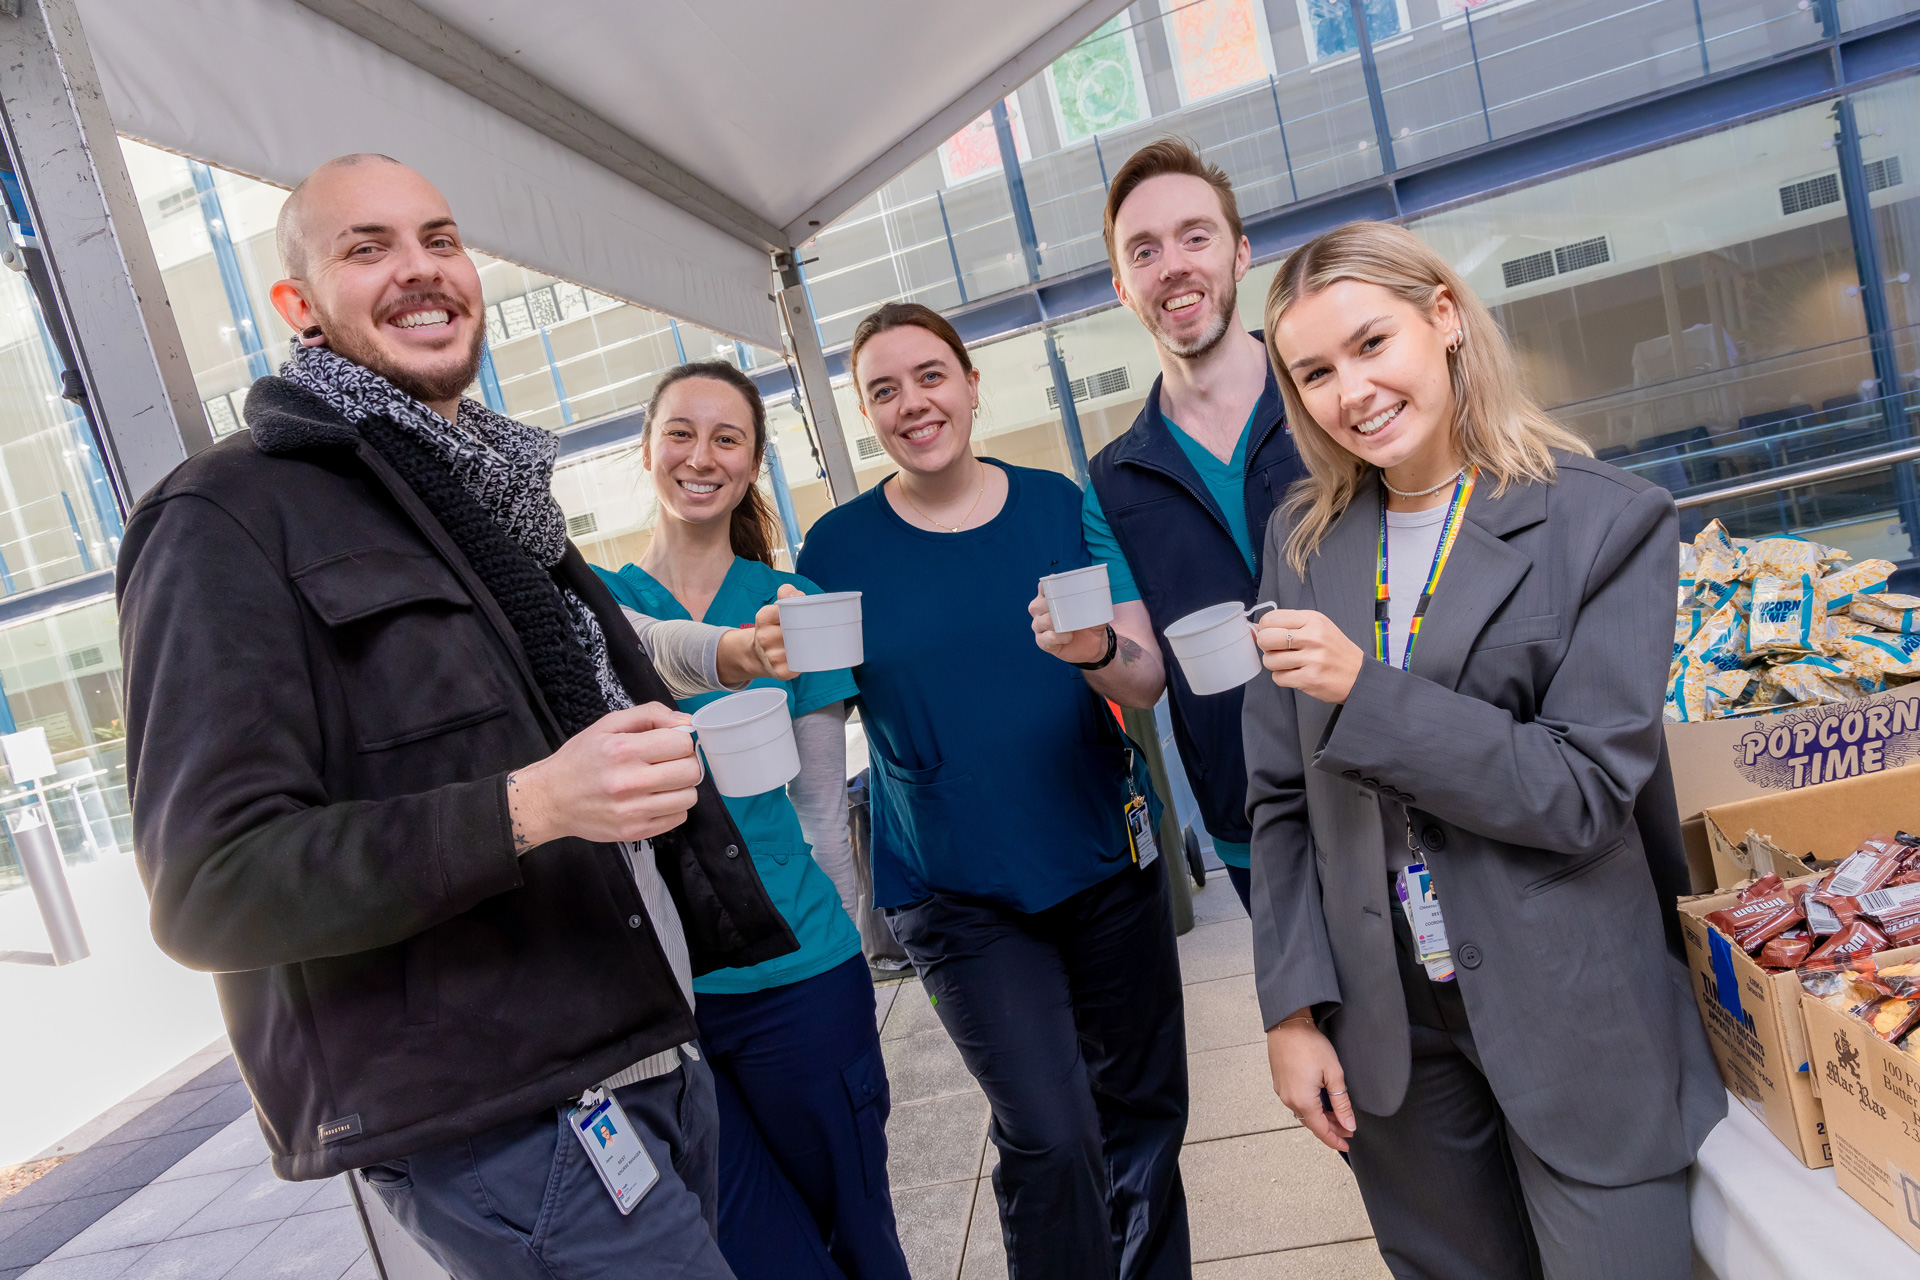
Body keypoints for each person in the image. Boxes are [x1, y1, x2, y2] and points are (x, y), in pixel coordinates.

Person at [117, 153, 798, 1280]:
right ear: (299, 309)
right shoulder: (221, 516)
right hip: (503, 1115)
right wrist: (529, 805)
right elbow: (209, 888)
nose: (419, 269)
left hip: (645, 1050)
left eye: (438, 238)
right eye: (366, 246)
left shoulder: (482, 491)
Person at [1243, 220, 1723, 1279]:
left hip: (1574, 1008)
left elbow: (1584, 790)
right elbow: (1279, 798)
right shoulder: (1302, 541)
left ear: (1445, 318)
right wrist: (1289, 1006)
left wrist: (1365, 690)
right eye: (1314, 371)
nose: (1350, 390)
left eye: (1372, 344)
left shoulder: (1605, 523)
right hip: (1390, 1025)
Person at [797, 303, 1190, 1280]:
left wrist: (1094, 647)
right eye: (883, 389)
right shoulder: (836, 552)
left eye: (931, 375)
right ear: (865, 414)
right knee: (1053, 1132)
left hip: (1099, 849)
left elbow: (1143, 678)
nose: (912, 403)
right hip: (956, 886)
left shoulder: (1060, 505)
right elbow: (809, 724)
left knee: (1141, 1113)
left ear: (974, 384)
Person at [593, 360, 910, 1280]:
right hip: (667, 1002)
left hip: (798, 978)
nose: (701, 456)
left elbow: (818, 810)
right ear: (646, 450)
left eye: (727, 437)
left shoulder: (790, 609)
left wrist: (840, 961)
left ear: (753, 463)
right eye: (680, 433)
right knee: (756, 1256)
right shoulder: (600, 611)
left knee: (858, 1234)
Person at [1030, 139, 1304, 912]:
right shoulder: (1113, 480)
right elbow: (1145, 679)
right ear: (1123, 286)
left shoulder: (1327, 402)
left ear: (1240, 253)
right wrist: (1094, 652)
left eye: (1195, 236)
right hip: (1257, 819)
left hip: (1399, 775)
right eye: (1144, 251)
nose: (1173, 265)